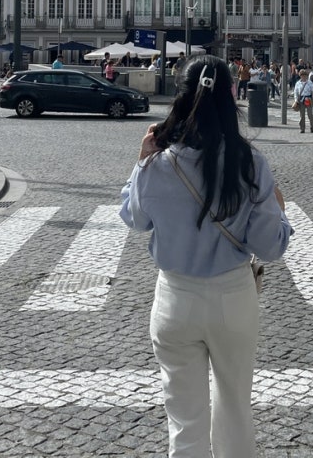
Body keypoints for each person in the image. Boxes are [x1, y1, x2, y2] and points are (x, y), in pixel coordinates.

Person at [119, 56, 291, 458]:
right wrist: (280, 212)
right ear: (232, 98)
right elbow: (270, 247)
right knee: (235, 408)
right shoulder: (249, 163)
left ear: (180, 96)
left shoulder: (157, 162)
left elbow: (135, 219)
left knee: (184, 418)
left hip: (175, 300)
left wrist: (141, 161)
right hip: (232, 297)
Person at [294, 67, 313, 133]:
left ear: (306, 76)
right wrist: (296, 100)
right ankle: (302, 128)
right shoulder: (298, 83)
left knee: (310, 114)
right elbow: (296, 92)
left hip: (308, 99)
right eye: (302, 75)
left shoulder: (309, 82)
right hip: (301, 99)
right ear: (300, 76)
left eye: (305, 75)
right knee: (302, 115)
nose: (303, 77)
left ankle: (312, 127)